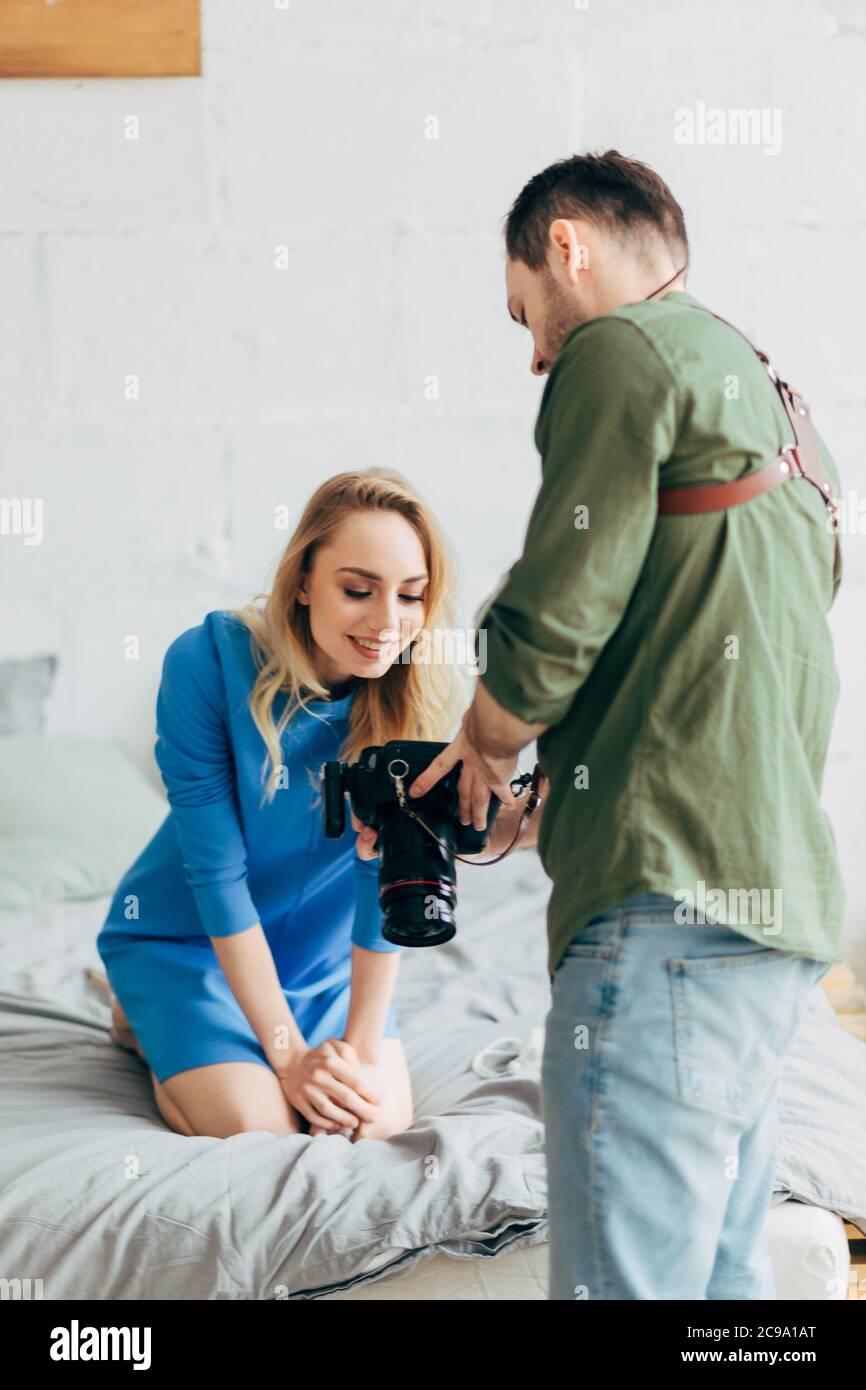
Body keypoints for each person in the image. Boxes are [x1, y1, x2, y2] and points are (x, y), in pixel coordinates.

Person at [408, 150, 845, 1299]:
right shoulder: (775, 401)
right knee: (718, 1295)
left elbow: (562, 598)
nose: (536, 352)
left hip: (660, 907)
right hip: (771, 911)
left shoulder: (617, 349)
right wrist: (554, 796)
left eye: (523, 316)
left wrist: (487, 738)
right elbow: (704, 663)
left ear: (565, 245)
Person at [98, 467, 500, 1142]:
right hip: (189, 943)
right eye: (357, 590)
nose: (386, 622)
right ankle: (141, 1022)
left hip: (323, 966)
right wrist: (287, 1059)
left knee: (371, 1127)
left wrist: (360, 1049)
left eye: (411, 596)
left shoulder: (418, 692)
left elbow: (387, 872)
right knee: (263, 1129)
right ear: (304, 582)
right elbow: (215, 875)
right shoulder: (206, 662)